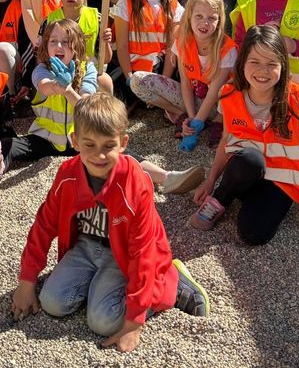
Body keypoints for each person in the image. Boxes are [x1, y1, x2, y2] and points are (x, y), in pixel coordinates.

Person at [11, 93, 210, 354]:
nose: (99, 155)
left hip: (124, 256)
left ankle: (172, 279)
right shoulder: (67, 174)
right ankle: (96, 286)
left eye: (108, 145)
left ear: (123, 143)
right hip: (84, 248)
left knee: (103, 322)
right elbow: (43, 225)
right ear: (75, 141)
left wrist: (133, 323)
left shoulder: (135, 183)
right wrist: (26, 281)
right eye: (89, 144)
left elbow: (142, 252)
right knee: (52, 303)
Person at [189, 25, 299, 243]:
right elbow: (226, 141)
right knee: (250, 159)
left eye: (271, 64)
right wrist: (210, 181)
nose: (263, 71)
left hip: (280, 181)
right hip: (245, 169)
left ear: (283, 66)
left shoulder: (297, 98)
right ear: (242, 63)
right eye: (254, 62)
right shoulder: (229, 94)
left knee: (253, 234)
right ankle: (220, 199)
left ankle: (252, 201)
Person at [2, 18, 99, 165]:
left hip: (80, 140)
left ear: (77, 45)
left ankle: (144, 170)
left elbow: (85, 108)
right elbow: (44, 87)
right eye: (53, 41)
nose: (58, 46)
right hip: (45, 138)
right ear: (46, 46)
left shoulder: (88, 69)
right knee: (6, 145)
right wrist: (57, 85)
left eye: (65, 42)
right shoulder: (41, 69)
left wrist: (67, 89)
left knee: (114, 148)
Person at [116, 0, 182, 114]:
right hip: (132, 70)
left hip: (160, 70)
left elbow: (170, 50)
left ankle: (168, 106)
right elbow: (122, 46)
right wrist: (129, 77)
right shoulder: (126, 2)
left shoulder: (173, 5)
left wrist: (164, 85)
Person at [173, 0, 237, 151]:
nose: (205, 23)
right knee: (140, 81)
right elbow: (185, 84)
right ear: (189, 17)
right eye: (199, 16)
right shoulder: (182, 40)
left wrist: (195, 126)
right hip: (195, 98)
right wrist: (192, 116)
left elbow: (215, 91)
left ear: (219, 20)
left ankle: (214, 120)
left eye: (212, 18)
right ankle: (189, 116)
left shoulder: (227, 48)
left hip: (218, 103)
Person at [46, 0, 112, 91]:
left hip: (88, 74)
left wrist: (106, 42)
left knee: (105, 80)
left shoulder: (98, 20)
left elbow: (106, 59)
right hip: (58, 72)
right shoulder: (49, 21)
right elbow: (41, 57)